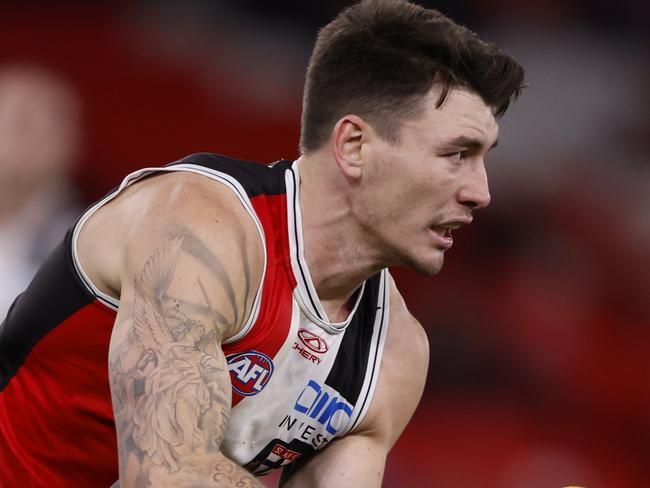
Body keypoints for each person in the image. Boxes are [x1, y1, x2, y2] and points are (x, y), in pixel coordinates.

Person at [0, 0, 524, 486]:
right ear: (354, 146)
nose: (481, 192)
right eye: (457, 154)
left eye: (484, 159)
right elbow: (167, 476)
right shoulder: (197, 226)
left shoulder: (394, 355)